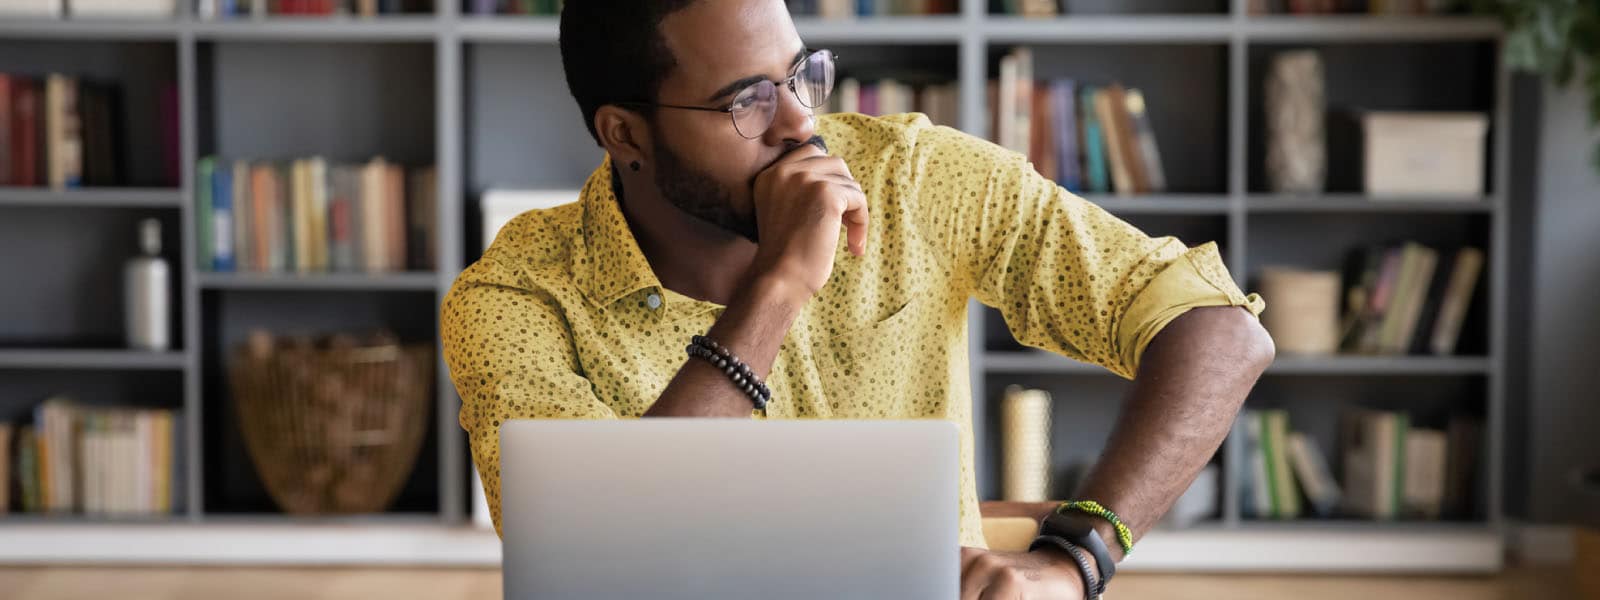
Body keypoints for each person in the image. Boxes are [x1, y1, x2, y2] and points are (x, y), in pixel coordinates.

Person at [441, 0, 1275, 596]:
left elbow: (1221, 331)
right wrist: (779, 286)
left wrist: (1078, 555)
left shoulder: (914, 178)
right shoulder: (514, 300)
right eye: (746, 100)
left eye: (802, 75)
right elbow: (599, 562)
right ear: (625, 133)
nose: (801, 123)